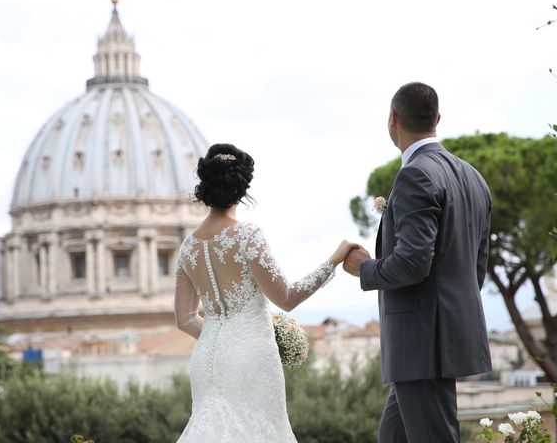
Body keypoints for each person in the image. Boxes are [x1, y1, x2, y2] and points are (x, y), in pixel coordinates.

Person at [174, 143, 358, 442]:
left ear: (205, 187)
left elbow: (184, 319)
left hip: (206, 359)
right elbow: (286, 297)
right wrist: (333, 260)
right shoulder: (247, 236)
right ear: (242, 189)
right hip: (251, 358)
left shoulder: (188, 247)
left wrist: (222, 336)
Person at [344, 82, 493, 442]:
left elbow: (412, 263)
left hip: (421, 344)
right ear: (437, 118)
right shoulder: (473, 177)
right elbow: (477, 268)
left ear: (393, 119)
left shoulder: (416, 174)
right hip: (441, 340)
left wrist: (364, 268)